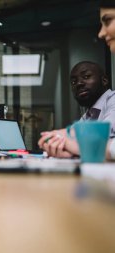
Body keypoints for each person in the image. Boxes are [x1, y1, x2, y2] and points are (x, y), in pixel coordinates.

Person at [38, 0, 115, 160]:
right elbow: (73, 138)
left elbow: (103, 135)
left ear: (105, 81)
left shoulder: (113, 101)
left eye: (108, 20)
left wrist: (75, 144)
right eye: (73, 81)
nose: (79, 83)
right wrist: (65, 143)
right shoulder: (88, 115)